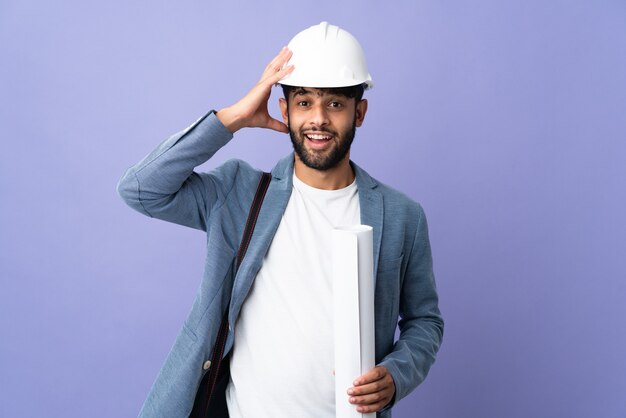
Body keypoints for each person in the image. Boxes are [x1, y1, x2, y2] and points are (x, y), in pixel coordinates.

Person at [118, 22, 443, 418]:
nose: (318, 119)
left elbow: (424, 320)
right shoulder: (238, 193)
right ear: (283, 109)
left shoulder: (401, 215)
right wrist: (231, 119)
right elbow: (140, 189)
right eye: (304, 102)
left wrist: (396, 375)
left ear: (360, 112)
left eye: (335, 104)